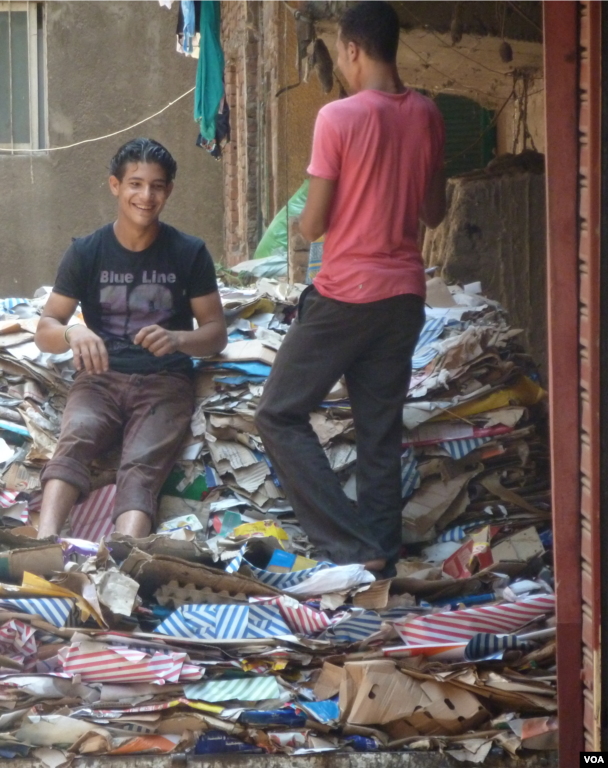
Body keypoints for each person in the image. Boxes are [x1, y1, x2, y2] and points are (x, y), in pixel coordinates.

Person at [255, 0, 447, 577]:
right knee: (378, 435)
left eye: (339, 53)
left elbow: (313, 224)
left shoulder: (337, 117)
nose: (339, 63)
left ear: (354, 49)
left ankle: (353, 545)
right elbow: (434, 213)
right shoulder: (428, 114)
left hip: (345, 294)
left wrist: (305, 218)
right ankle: (381, 563)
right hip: (404, 295)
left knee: (278, 413)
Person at [34, 138, 227, 540]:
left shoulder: (189, 252)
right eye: (135, 184)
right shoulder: (86, 252)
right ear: (115, 186)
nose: (146, 196)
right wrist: (74, 331)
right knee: (75, 441)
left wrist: (177, 339)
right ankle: (44, 542)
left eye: (156, 186)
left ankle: (124, 558)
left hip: (165, 383)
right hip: (99, 379)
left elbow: (215, 333)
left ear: (169, 190)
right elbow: (46, 328)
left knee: (141, 468)